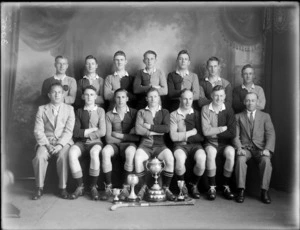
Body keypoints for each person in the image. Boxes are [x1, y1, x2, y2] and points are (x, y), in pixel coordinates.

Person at [32, 82, 75, 200]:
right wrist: (47, 145)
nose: (57, 95)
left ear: (63, 95)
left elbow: (68, 131)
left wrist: (60, 145)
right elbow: (38, 131)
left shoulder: (69, 109)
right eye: (54, 92)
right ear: (49, 95)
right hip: (46, 142)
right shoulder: (42, 109)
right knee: (39, 157)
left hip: (63, 142)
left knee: (63, 156)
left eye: (59, 92)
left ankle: (62, 188)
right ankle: (39, 187)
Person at [233, 92, 275, 204]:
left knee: (266, 161)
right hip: (245, 148)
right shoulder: (238, 116)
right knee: (240, 160)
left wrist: (267, 149)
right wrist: (239, 148)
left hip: (260, 149)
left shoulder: (265, 116)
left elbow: (270, 134)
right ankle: (241, 190)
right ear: (244, 102)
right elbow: (235, 136)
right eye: (247, 100)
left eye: (252, 100)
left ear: (257, 102)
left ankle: (264, 191)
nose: (250, 103)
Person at [135, 88, 176, 201]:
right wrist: (154, 131)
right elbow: (138, 130)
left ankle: (166, 188)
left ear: (159, 98)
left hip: (160, 145)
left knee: (169, 158)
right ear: (146, 99)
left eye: (155, 96)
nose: (153, 99)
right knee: (137, 157)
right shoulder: (141, 112)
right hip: (145, 145)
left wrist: (149, 126)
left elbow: (166, 128)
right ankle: (143, 188)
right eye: (150, 97)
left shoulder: (165, 112)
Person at [100, 88, 140, 201]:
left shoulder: (134, 113)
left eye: (123, 97)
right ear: (114, 99)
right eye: (118, 97)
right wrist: (127, 138)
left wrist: (119, 136)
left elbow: (137, 137)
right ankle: (108, 187)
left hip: (129, 145)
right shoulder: (108, 114)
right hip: (114, 145)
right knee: (105, 151)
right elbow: (108, 138)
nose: (120, 100)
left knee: (130, 152)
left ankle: (125, 187)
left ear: (127, 98)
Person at [68, 85, 106, 200]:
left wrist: (89, 135)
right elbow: (76, 132)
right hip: (81, 143)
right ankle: (80, 186)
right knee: (72, 153)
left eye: (92, 95)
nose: (89, 97)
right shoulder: (79, 111)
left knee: (94, 153)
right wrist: (92, 130)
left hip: (96, 142)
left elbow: (102, 131)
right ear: (83, 97)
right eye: (87, 95)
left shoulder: (100, 111)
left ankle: (93, 186)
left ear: (95, 97)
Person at [201, 85, 236, 201]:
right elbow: (206, 132)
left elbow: (232, 133)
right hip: (210, 143)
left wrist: (214, 131)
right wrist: (222, 129)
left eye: (221, 95)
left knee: (231, 153)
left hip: (224, 143)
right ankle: (212, 187)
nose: (218, 98)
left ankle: (226, 186)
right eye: (216, 95)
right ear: (211, 96)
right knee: (211, 153)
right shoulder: (205, 109)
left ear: (225, 96)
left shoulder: (229, 109)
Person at [169, 89, 206, 199]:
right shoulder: (173, 115)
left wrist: (184, 136)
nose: (187, 101)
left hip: (196, 145)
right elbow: (173, 137)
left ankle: (193, 184)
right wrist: (191, 133)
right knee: (179, 159)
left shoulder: (198, 114)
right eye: (185, 98)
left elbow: (201, 136)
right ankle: (182, 186)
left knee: (202, 159)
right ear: (180, 99)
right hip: (180, 145)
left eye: (190, 99)